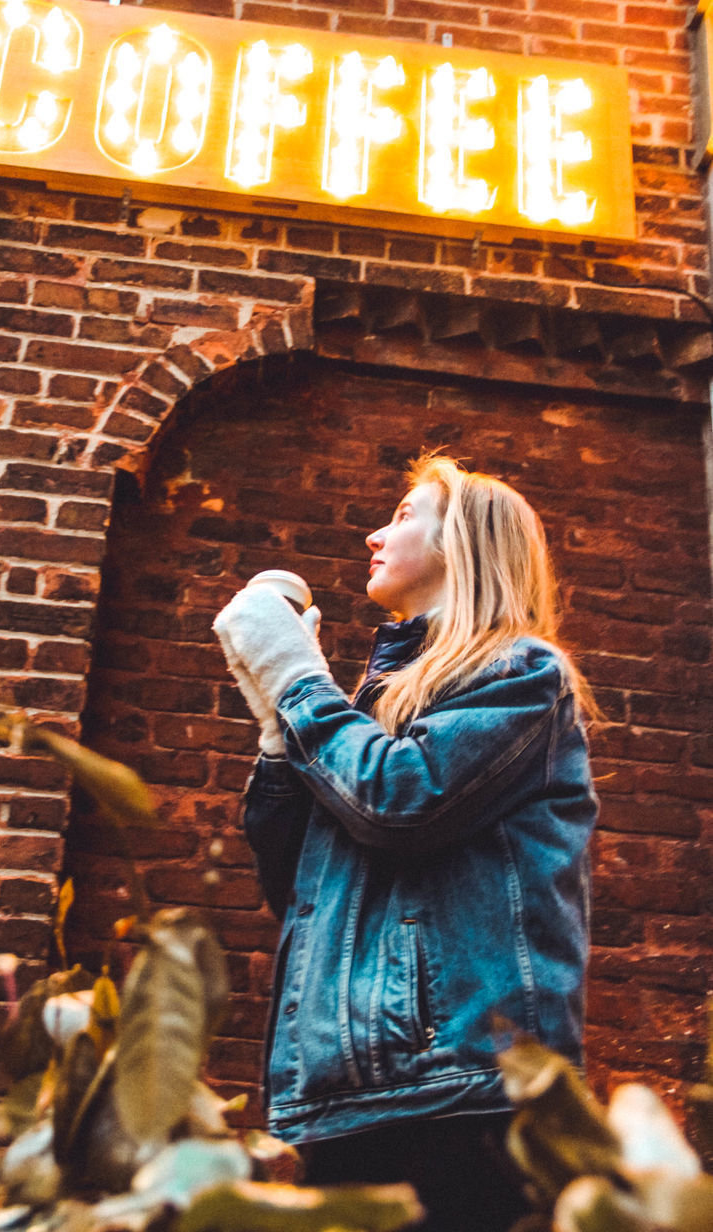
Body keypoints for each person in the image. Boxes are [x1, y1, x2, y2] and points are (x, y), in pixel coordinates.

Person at [213, 452, 598, 1232]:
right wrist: (278, 736)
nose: (371, 535)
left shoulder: (523, 674)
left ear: (462, 543)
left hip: (464, 1087)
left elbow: (399, 799)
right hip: (349, 1094)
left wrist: (295, 678)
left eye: (401, 516)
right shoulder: (379, 701)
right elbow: (295, 886)